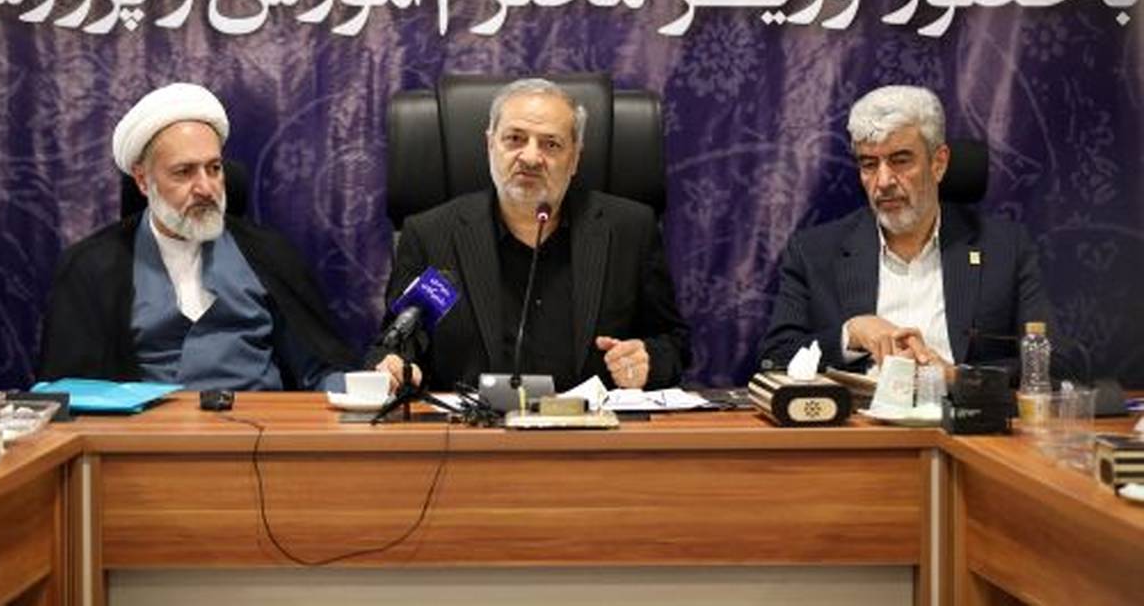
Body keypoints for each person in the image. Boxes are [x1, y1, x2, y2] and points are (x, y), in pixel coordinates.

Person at [370, 78, 689, 393]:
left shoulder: (630, 230)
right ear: (490, 145)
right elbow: (397, 344)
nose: (531, 158)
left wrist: (649, 362)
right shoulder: (431, 236)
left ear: (575, 158)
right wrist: (396, 367)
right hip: (474, 423)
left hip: (593, 423)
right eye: (515, 139)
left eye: (551, 144)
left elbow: (673, 343)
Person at [38, 83, 352, 391]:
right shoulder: (90, 267)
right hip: (147, 425)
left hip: (259, 423)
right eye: (184, 172)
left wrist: (358, 391)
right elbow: (70, 392)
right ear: (143, 181)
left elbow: (321, 370)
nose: (206, 188)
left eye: (214, 168)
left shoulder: (270, 254)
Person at [760, 85, 1053, 381]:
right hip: (861, 410)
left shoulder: (1004, 248)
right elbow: (775, 358)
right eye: (869, 164)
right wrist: (851, 334)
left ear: (938, 163)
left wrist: (957, 378)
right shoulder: (814, 252)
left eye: (900, 160)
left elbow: (1057, 360)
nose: (884, 181)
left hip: (960, 409)